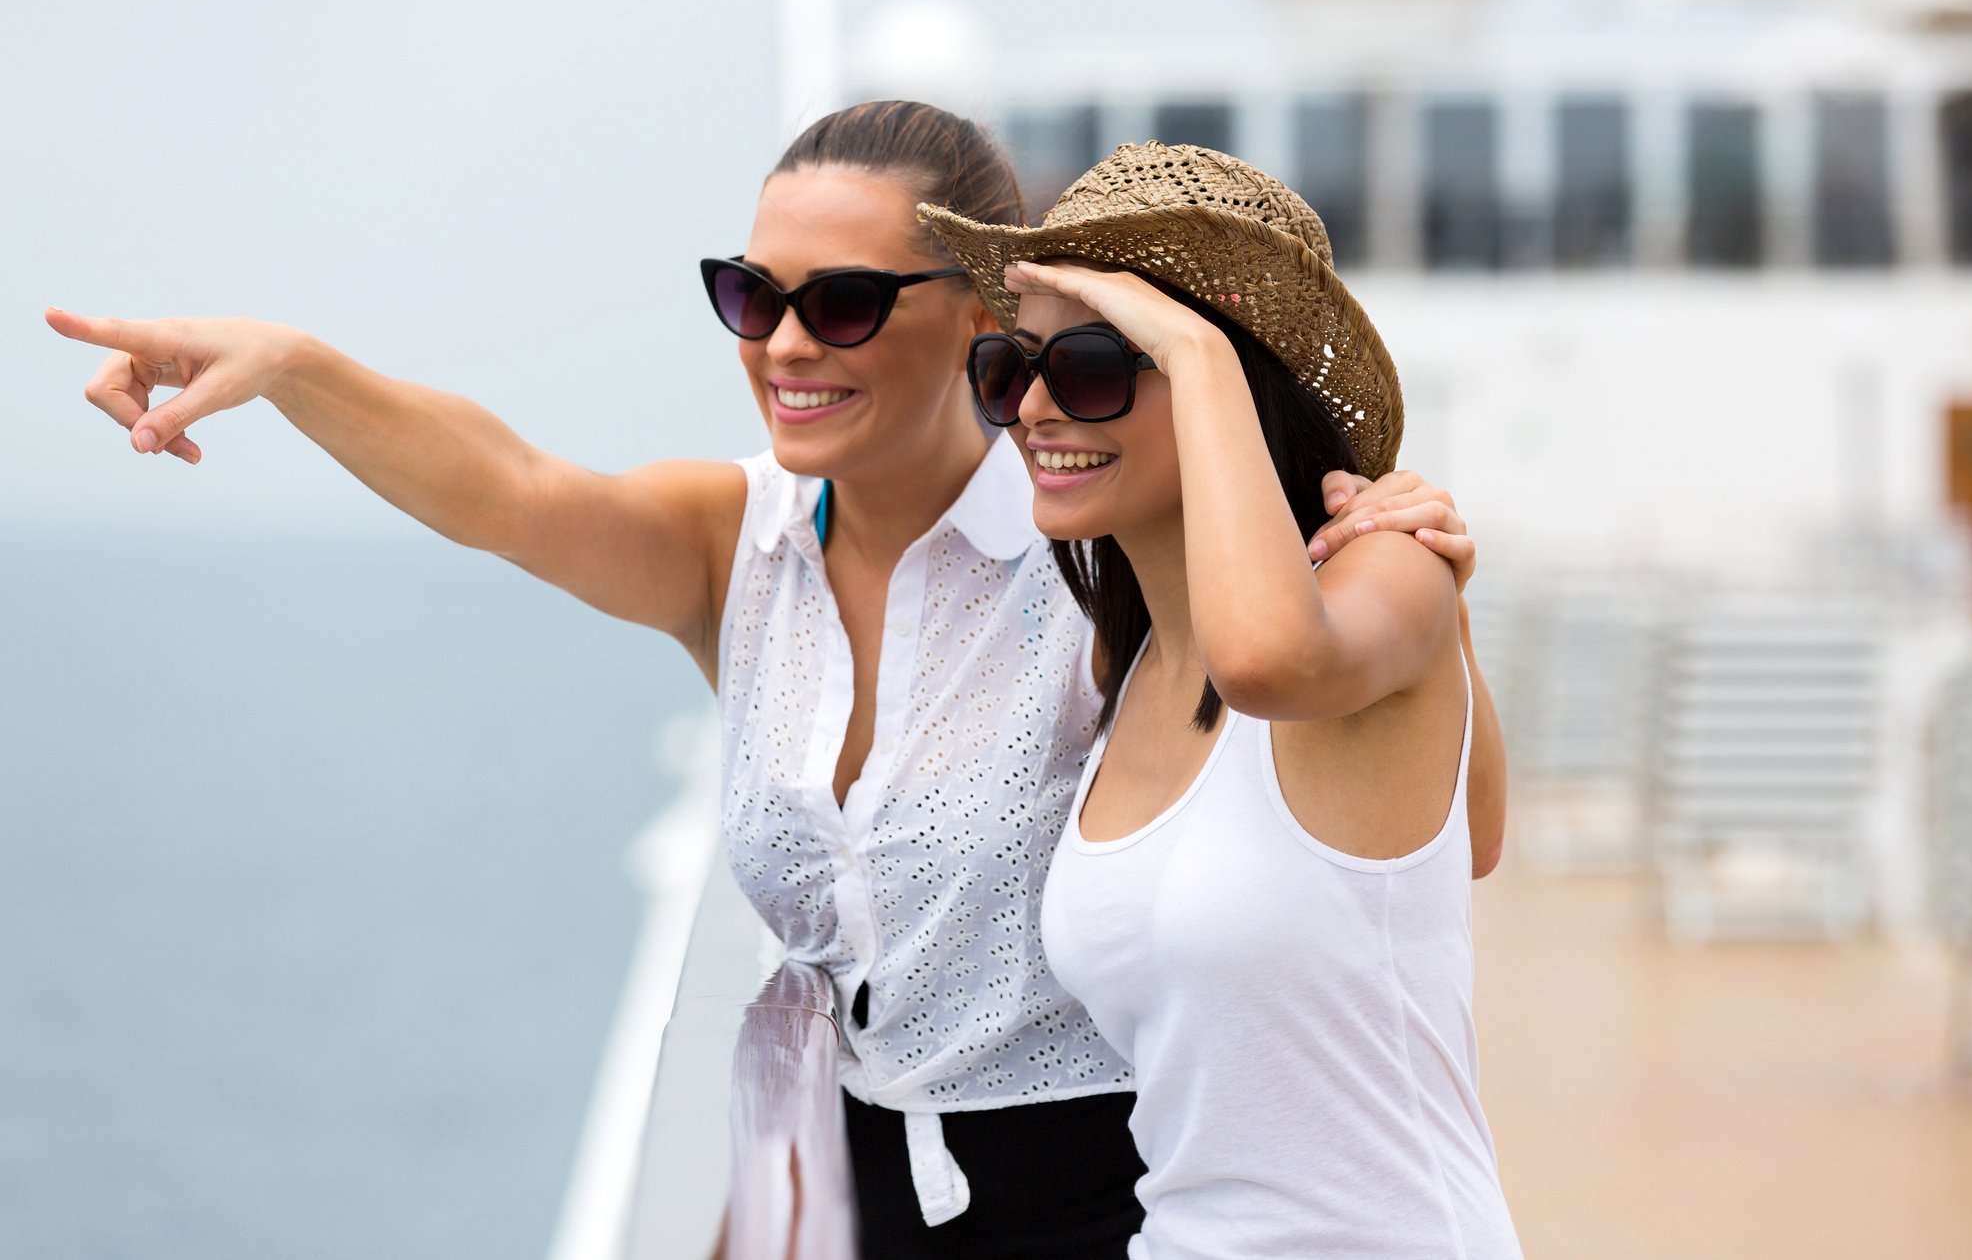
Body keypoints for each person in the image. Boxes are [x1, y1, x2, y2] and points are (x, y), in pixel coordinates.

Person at [47, 102, 1498, 1257]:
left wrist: (1401, 562)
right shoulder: (740, 544)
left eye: (847, 300)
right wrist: (294, 366)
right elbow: (510, 485)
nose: (788, 339)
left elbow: (1410, 785)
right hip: (849, 1173)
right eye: (751, 294)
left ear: (974, 311)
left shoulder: (1093, 540)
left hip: (1101, 1187)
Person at [921, 141, 1521, 1258]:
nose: (1037, 409)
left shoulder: (1378, 579)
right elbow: (1468, 840)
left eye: (1097, 363)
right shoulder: (1129, 663)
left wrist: (1194, 348)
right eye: (1012, 368)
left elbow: (1275, 674)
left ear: (1230, 382)